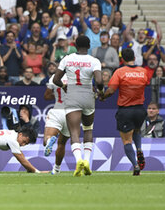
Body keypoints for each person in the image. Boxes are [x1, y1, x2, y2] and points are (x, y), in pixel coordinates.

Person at [53, 35, 104, 177]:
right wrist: (100, 91)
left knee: (74, 132)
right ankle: (87, 161)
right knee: (88, 129)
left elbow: (56, 79)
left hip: (72, 95)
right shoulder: (94, 61)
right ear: (89, 46)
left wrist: (64, 86)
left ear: (75, 45)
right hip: (88, 95)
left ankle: (79, 160)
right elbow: (99, 81)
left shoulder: (67, 59)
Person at [100, 48, 148, 175]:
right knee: (136, 130)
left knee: (127, 141)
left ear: (122, 59)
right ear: (134, 58)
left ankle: (136, 165)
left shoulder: (120, 72)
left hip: (126, 110)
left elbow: (110, 90)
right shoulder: (143, 72)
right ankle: (139, 148)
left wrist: (103, 97)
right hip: (140, 110)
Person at [43, 73, 70, 174]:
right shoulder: (78, 76)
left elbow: (46, 96)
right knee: (62, 143)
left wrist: (57, 94)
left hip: (57, 110)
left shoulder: (55, 77)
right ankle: (57, 169)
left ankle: (50, 140)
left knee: (47, 139)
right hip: (71, 113)